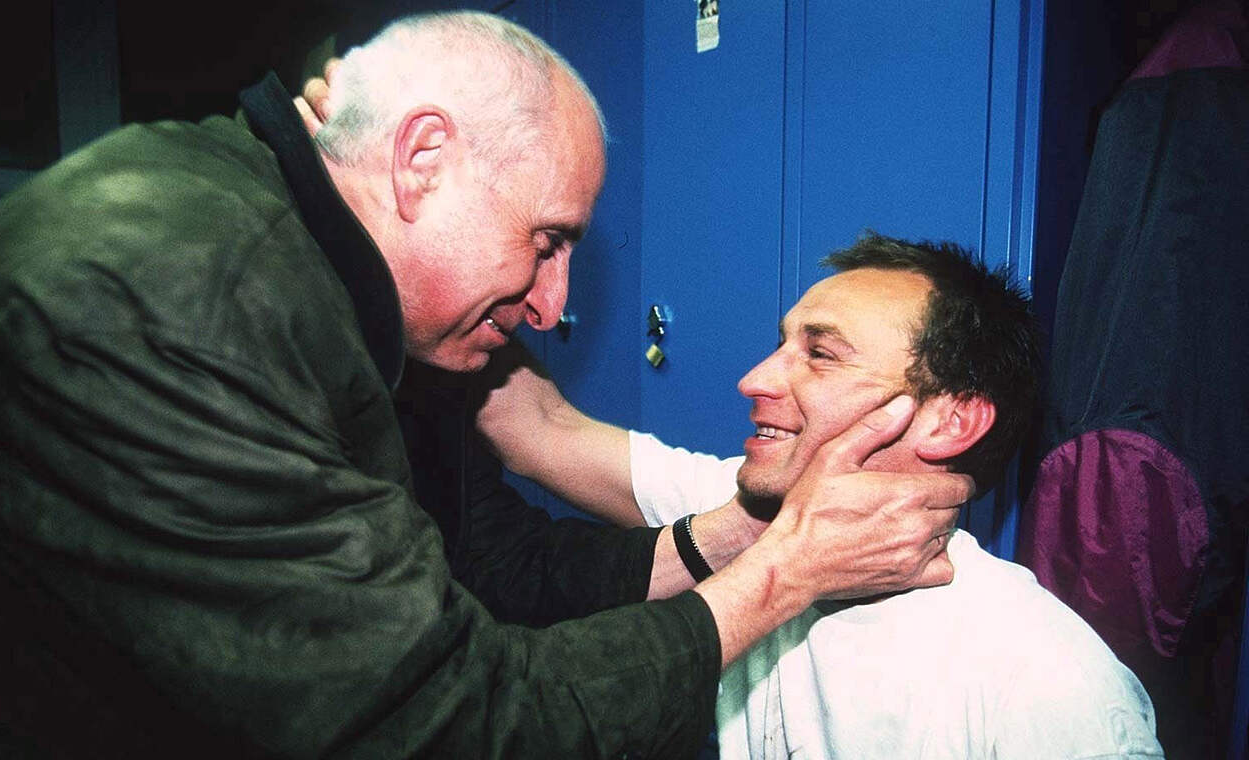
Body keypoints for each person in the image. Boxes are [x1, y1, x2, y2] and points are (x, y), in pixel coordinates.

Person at [0, 12, 971, 758]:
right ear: (419, 162)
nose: (553, 306)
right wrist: (780, 572)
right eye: (545, 241)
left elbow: (491, 563)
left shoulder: (312, 275)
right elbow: (449, 728)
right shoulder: (179, 312)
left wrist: (735, 538)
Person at [482, 233, 1164, 759]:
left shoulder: (1046, 678)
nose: (753, 380)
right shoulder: (752, 509)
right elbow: (538, 429)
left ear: (951, 420)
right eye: (780, 344)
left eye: (822, 354)